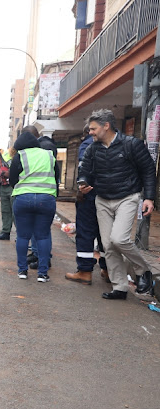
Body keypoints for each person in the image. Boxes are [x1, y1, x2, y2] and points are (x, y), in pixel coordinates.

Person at [78, 109, 156, 299]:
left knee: (119, 239)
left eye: (93, 129)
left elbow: (148, 171)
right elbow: (85, 170)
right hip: (102, 199)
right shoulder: (93, 148)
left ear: (106, 126)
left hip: (127, 197)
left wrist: (149, 198)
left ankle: (143, 270)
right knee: (108, 245)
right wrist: (83, 183)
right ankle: (120, 287)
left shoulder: (132, 144)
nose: (90, 133)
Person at [9, 131, 58, 282]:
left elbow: (12, 178)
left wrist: (21, 189)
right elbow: (56, 178)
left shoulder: (20, 155)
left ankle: (22, 271)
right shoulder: (49, 155)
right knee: (43, 236)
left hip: (24, 198)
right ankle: (42, 274)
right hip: (46, 199)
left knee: (23, 236)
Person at [65, 125, 109, 285]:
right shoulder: (116, 144)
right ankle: (107, 269)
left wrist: (82, 188)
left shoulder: (88, 144)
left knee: (85, 232)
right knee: (106, 234)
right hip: (110, 197)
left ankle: (84, 271)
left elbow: (85, 168)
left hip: (90, 196)